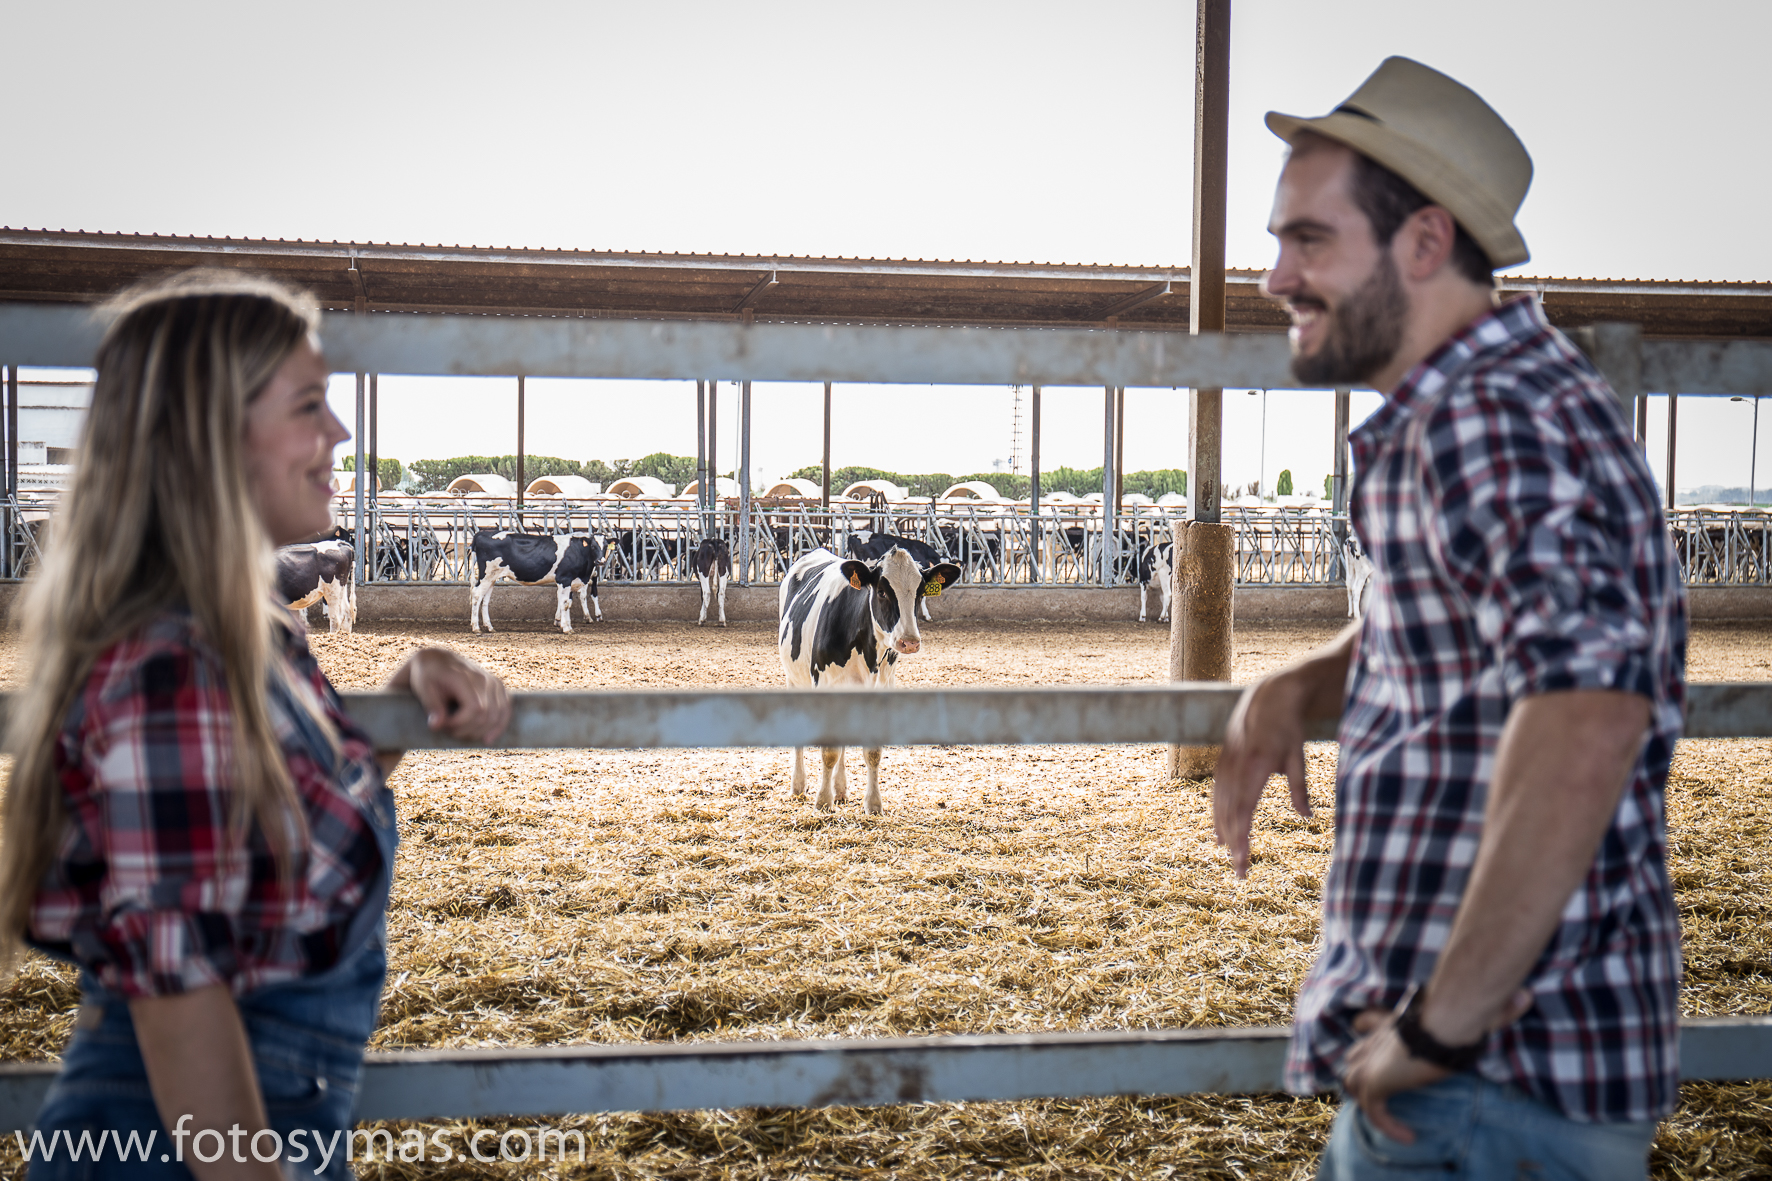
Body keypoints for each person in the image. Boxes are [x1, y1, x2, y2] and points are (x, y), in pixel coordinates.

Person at [1212, 58, 1685, 1179]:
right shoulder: (1494, 399)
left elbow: (1585, 712)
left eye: (1307, 239)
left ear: (1422, 244)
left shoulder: (1480, 422)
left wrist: (1434, 1028)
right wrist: (1307, 681)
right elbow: (1487, 626)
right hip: (1496, 1079)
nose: (1274, 274)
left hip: (1482, 1089)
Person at [0, 271, 511, 1178]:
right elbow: (179, 995)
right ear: (210, 437)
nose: (341, 433)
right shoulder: (169, 665)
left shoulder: (248, 630)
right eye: (310, 404)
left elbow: (268, 814)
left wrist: (397, 693)